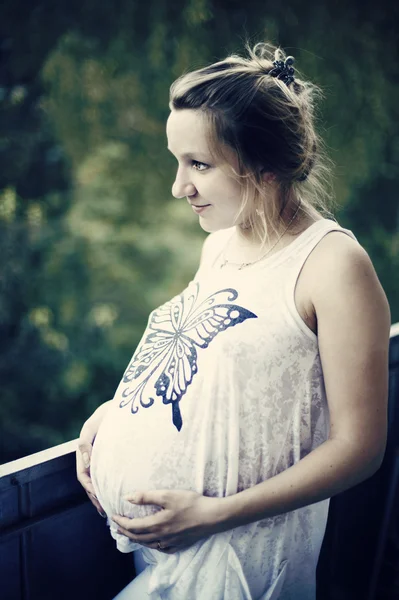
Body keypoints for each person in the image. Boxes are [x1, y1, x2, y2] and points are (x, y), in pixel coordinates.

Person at [76, 41, 391, 600]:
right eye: (177, 161)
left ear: (264, 166)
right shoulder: (222, 244)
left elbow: (360, 447)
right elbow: (211, 368)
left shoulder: (335, 266)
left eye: (198, 164)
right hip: (169, 551)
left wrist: (215, 514)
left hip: (242, 563)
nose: (179, 187)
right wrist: (117, 414)